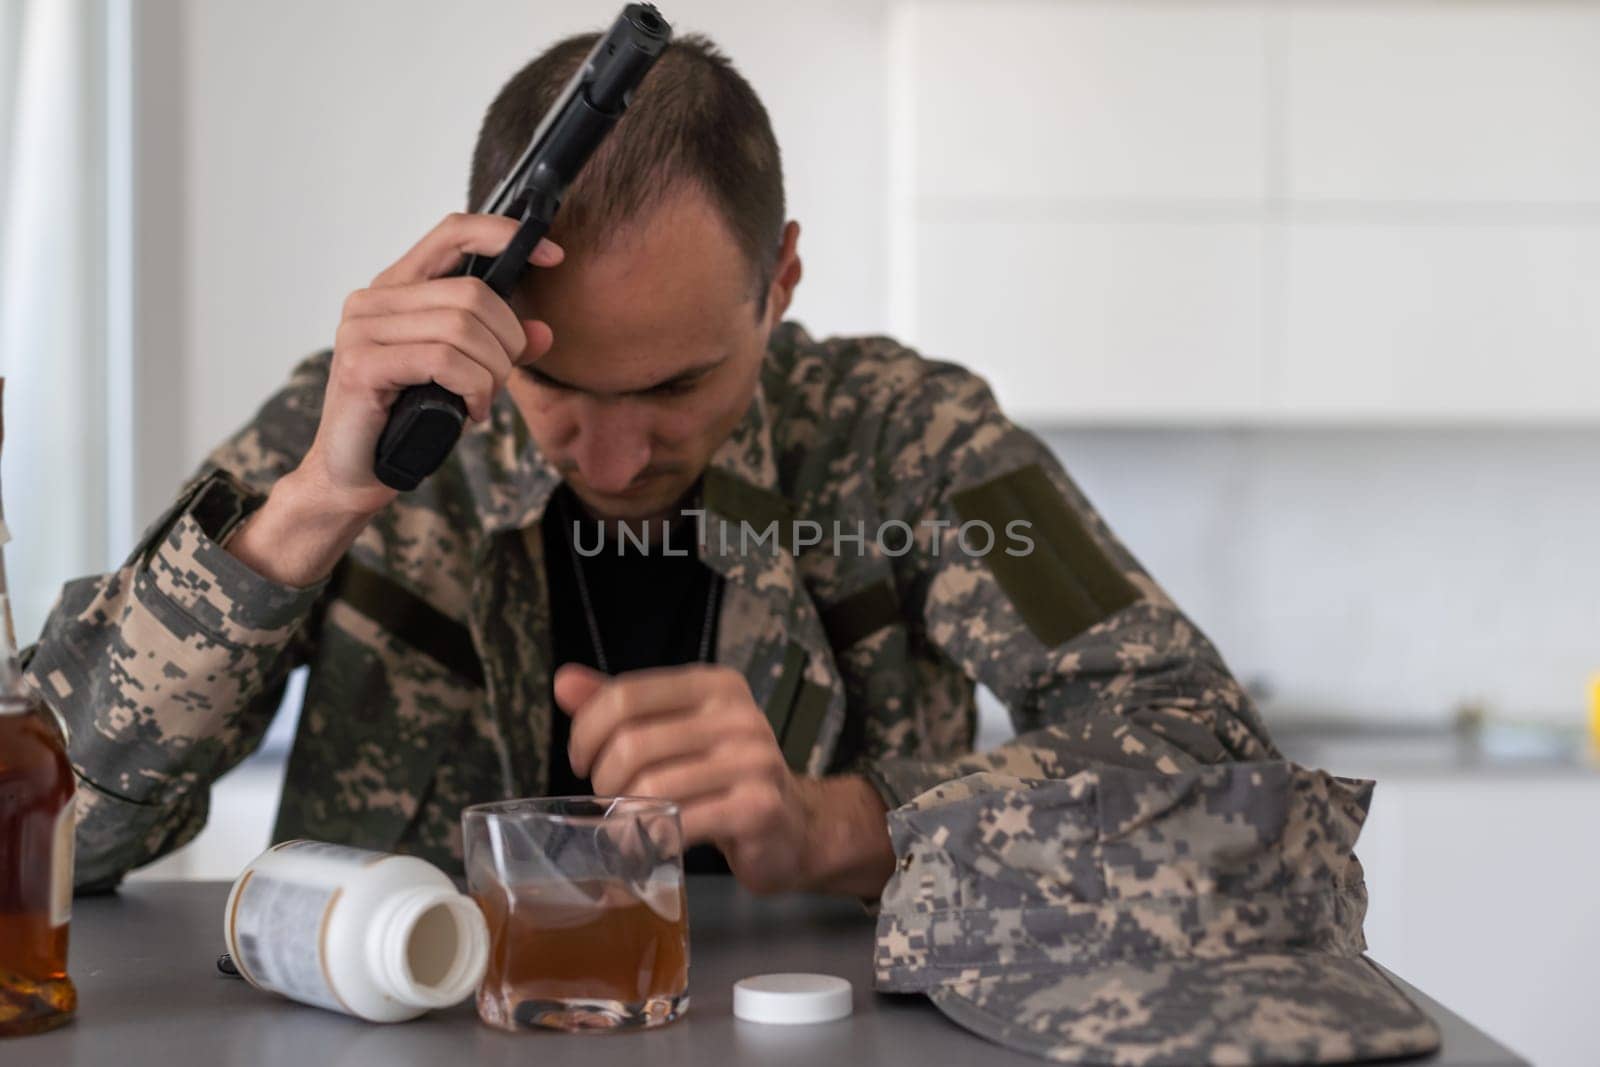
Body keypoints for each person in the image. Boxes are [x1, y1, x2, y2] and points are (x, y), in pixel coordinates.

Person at [26, 32, 1278, 897]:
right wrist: (313, 507)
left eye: (679, 384)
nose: (613, 455)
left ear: (778, 280)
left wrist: (842, 824)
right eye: (552, 384)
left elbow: (1210, 764)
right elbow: (44, 843)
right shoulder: (342, 428)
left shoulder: (917, 444)